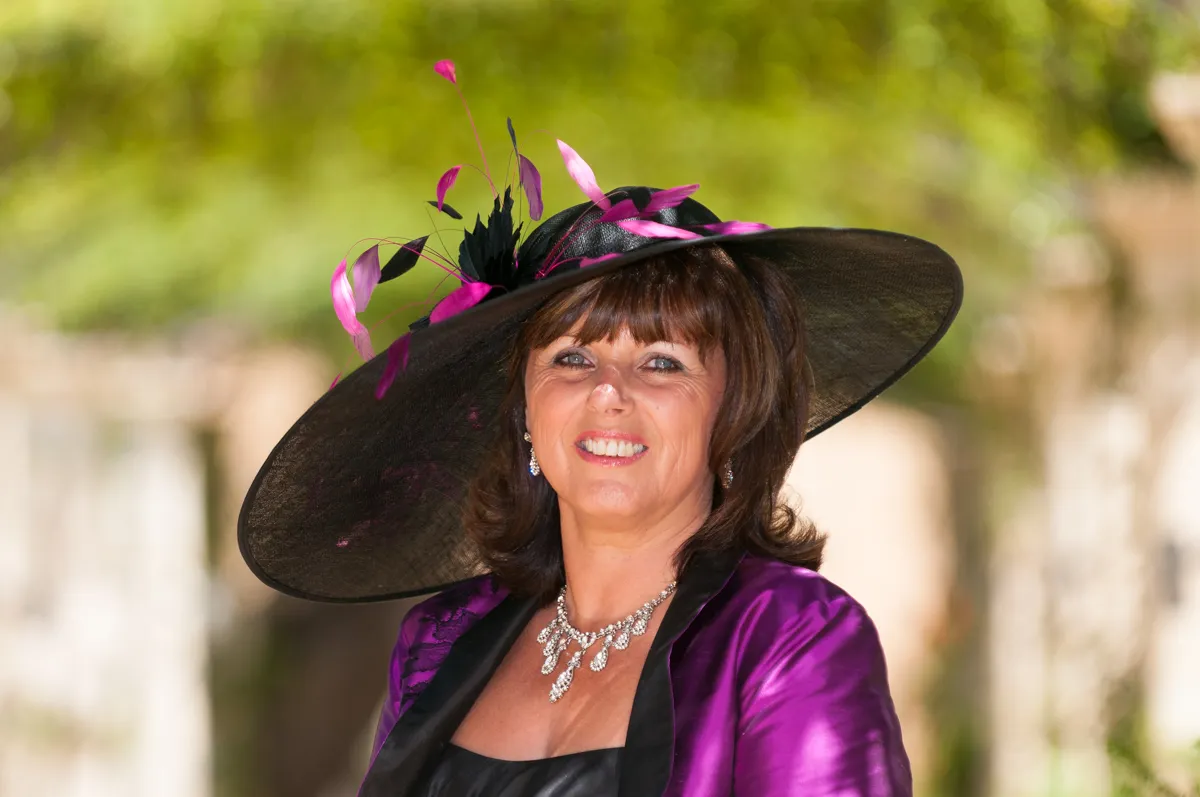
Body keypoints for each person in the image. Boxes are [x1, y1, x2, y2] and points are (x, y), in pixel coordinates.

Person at [238, 61, 962, 796]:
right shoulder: (438, 639)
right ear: (525, 407)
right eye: (574, 356)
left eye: (663, 362)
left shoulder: (788, 638)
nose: (609, 392)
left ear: (734, 405)